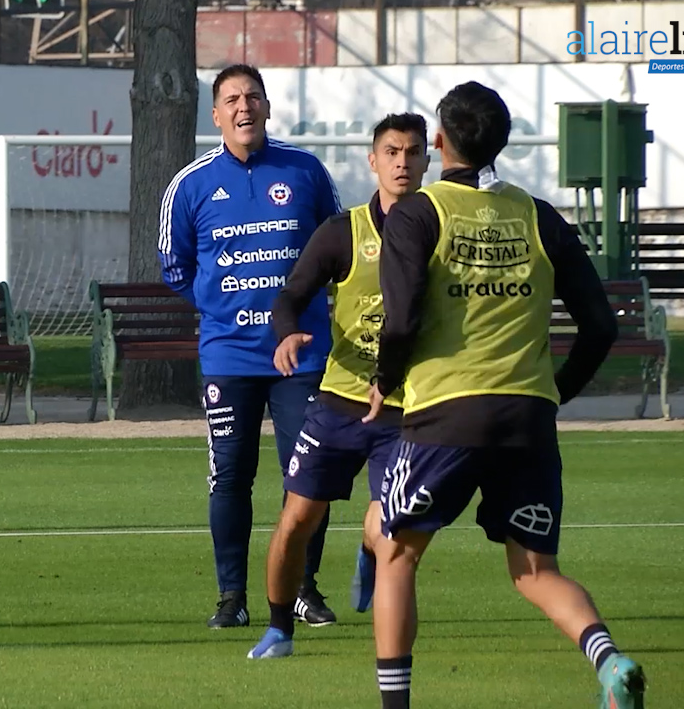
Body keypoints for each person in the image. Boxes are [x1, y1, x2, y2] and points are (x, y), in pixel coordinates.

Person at [362, 82, 644, 709]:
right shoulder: (539, 215)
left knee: (395, 551)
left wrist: (382, 380)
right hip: (527, 420)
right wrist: (555, 393)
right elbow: (601, 326)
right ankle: (610, 661)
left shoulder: (418, 212)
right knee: (536, 570)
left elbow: (402, 320)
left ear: (438, 142)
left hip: (445, 417)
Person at [159, 64, 343, 629]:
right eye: (232, 99)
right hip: (229, 357)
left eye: (253, 97)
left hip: (303, 356)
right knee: (231, 477)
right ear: (216, 116)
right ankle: (231, 597)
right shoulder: (189, 185)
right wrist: (223, 307)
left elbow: (337, 247)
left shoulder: (305, 170)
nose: (244, 107)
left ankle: (304, 590)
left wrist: (299, 310)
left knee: (308, 475)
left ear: (267, 108)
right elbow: (175, 267)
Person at [248, 113, 431, 659]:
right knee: (298, 517)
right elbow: (290, 296)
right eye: (392, 152)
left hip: (407, 409)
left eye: (413, 152)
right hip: (339, 401)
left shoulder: (442, 229)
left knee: (391, 532)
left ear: (427, 160)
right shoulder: (343, 231)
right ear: (372, 161)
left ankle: (376, 573)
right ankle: (280, 627)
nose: (402, 162)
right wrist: (285, 335)